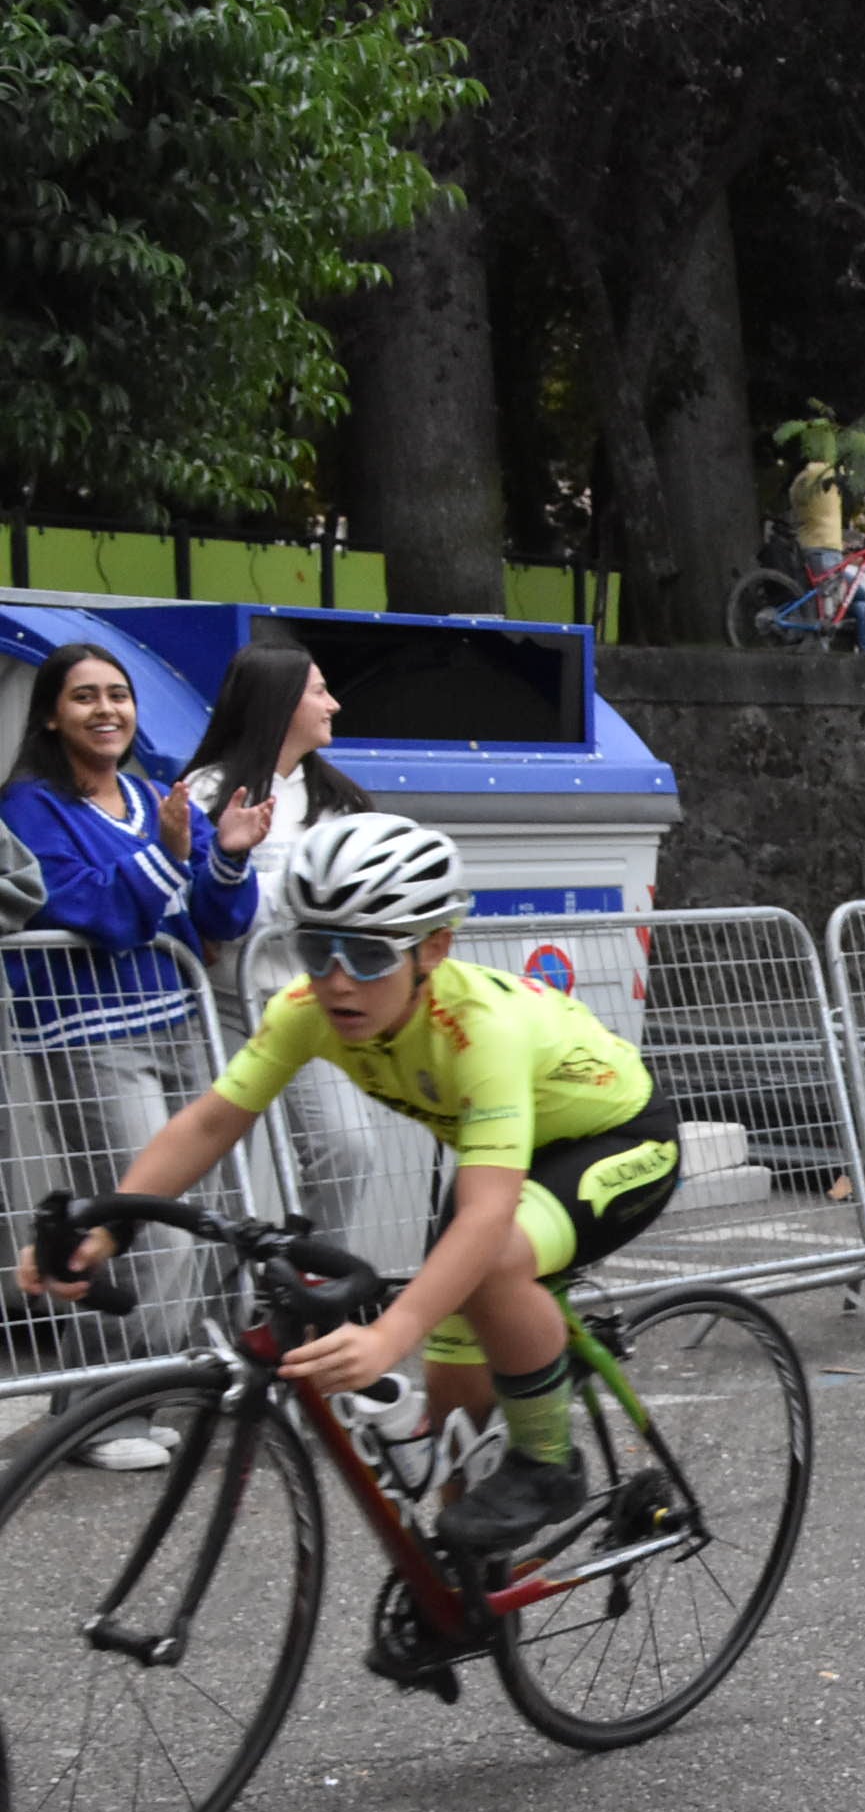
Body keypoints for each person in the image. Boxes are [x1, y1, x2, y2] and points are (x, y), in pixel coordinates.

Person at [19, 812, 684, 1557]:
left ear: (433, 948)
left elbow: (487, 1216)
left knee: (493, 1262)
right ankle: (468, 1589)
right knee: (454, 1407)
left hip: (616, 1139)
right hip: (505, 1156)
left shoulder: (480, 1029)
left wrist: (389, 1334)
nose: (338, 980)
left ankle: (548, 1461)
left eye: (368, 955)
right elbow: (209, 1124)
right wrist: (110, 1225)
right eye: (317, 949)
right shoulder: (306, 1010)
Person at [3, 642, 267, 1469]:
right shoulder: (28, 806)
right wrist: (167, 855)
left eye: (118, 694)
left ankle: (143, 1391)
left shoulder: (157, 796)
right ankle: (95, 1414)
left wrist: (227, 853)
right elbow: (91, 910)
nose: (107, 709)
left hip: (179, 1022)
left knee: (200, 1215)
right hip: (91, 1037)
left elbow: (214, 920)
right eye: (84, 696)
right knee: (144, 1225)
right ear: (52, 716)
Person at [177, 643, 379, 1236]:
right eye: (319, 691)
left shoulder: (339, 801)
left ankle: (308, 1278)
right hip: (221, 1006)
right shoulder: (206, 791)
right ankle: (222, 1293)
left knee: (348, 1147)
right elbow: (212, 908)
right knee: (217, 1171)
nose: (333, 705)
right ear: (279, 702)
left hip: (309, 1003)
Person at [788, 458, 848, 583]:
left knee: (809, 593)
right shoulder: (826, 472)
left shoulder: (798, 482)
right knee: (830, 593)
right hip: (826, 547)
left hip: (805, 545)